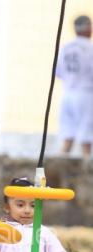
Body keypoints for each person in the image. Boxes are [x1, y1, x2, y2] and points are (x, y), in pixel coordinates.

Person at [56, 15, 93, 158]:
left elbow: (58, 72)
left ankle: (57, 173)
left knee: (67, 138)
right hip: (85, 94)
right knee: (86, 139)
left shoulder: (66, 48)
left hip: (67, 94)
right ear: (88, 28)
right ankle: (88, 174)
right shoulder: (90, 48)